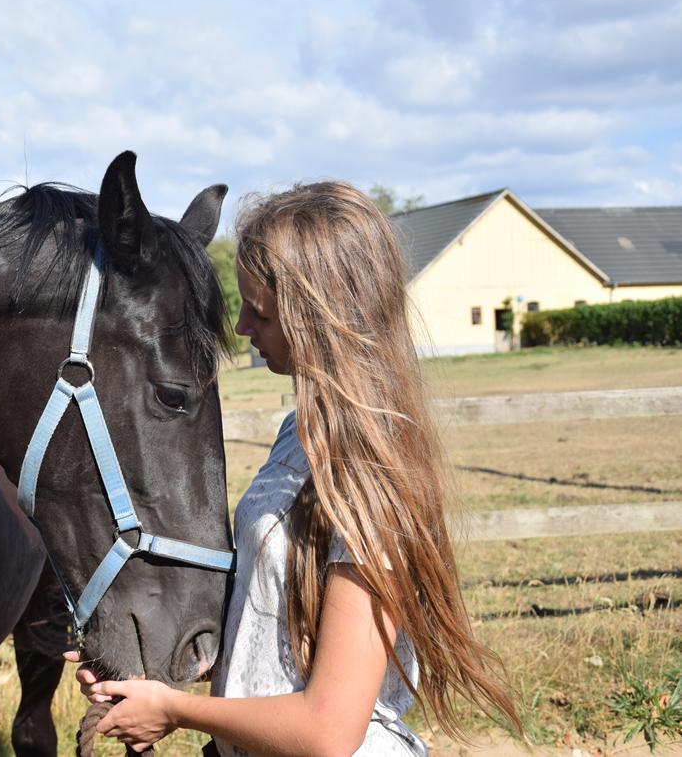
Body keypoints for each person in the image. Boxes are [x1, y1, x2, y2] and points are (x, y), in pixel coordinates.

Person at [65, 182, 522, 756]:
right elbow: (273, 636)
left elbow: (328, 731)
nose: (242, 329)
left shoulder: (369, 473)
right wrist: (143, 674)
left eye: (259, 312)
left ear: (319, 319)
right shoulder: (299, 435)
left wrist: (173, 710)